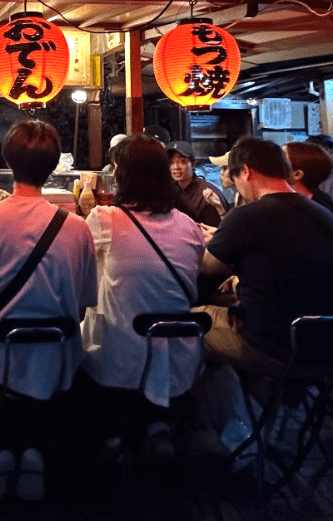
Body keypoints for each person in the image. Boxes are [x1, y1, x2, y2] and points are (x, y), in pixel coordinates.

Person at [0, 120, 96, 501]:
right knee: (44, 364)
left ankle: (0, 453)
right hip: (59, 355)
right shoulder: (77, 227)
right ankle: (35, 453)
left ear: (7, 161)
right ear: (54, 168)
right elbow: (84, 306)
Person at [81, 134, 205, 452]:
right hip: (179, 359)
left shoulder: (104, 220)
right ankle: (157, 427)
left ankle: (111, 438)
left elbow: (77, 267)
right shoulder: (189, 226)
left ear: (122, 175)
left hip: (119, 359)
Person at [194, 136, 333, 375]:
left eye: (235, 177)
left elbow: (209, 268)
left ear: (245, 172)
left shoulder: (247, 215)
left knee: (183, 323)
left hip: (273, 348)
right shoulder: (323, 212)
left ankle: (230, 410)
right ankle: (259, 400)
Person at [167, 141, 228, 227]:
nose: (176, 167)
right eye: (171, 163)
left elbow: (216, 233)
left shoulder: (207, 196)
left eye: (182, 162)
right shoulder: (168, 190)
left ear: (193, 164)